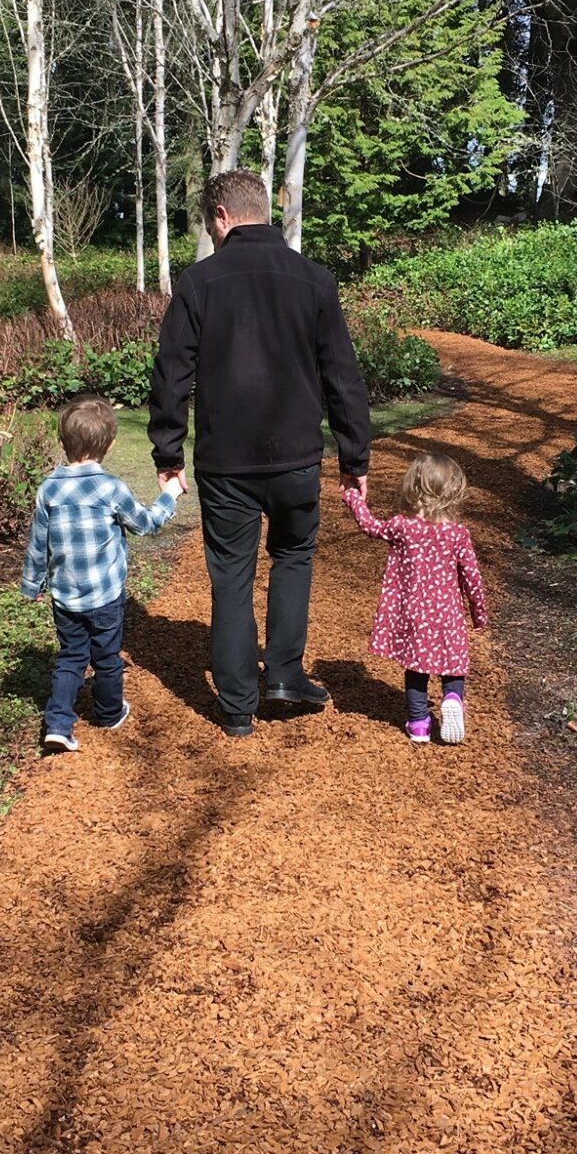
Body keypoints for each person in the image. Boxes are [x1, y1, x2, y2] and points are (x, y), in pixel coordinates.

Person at [148, 167, 370, 737]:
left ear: (222, 216)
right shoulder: (315, 280)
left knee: (230, 576)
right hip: (296, 456)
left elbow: (172, 374)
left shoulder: (197, 284)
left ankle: (238, 707)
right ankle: (285, 675)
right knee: (293, 557)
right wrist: (354, 460)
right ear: (263, 212)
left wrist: (167, 451)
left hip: (226, 463)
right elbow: (342, 376)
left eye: (208, 223)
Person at [22, 393, 185, 753]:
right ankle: (109, 712)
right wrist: (169, 495)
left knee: (70, 658)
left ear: (62, 442)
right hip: (106, 596)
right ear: (110, 444)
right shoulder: (110, 487)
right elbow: (144, 524)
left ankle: (58, 724)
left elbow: (38, 541)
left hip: (65, 596)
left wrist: (32, 583)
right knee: (106, 658)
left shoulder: (49, 488)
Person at [343, 450, 488, 744]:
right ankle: (452, 698)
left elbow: (371, 527)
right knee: (453, 663)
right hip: (448, 614)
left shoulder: (402, 526)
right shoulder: (458, 533)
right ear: (453, 492)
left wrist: (353, 498)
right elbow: (472, 577)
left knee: (416, 668)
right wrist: (479, 613)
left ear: (414, 488)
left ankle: (419, 724)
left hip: (414, 614)